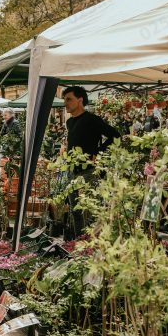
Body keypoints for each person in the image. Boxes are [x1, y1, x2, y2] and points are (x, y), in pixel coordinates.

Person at [63, 86, 120, 240]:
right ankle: (78, 243)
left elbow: (115, 136)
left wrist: (98, 152)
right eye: (65, 99)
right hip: (71, 171)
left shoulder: (92, 119)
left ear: (80, 100)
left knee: (90, 211)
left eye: (69, 99)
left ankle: (91, 246)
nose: (65, 103)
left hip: (88, 171)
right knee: (75, 211)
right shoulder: (69, 122)